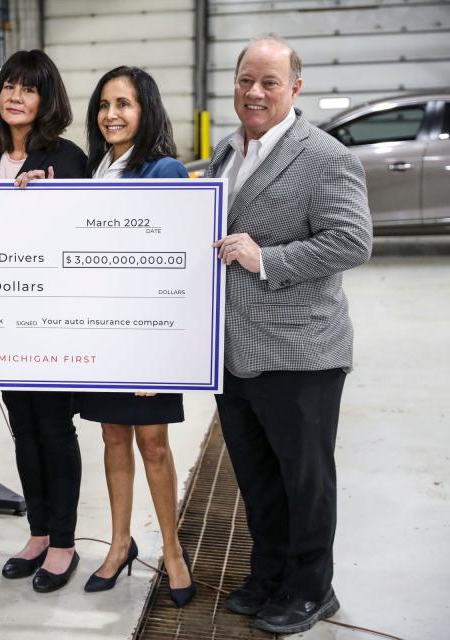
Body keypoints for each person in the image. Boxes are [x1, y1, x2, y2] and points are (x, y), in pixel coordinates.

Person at [207, 35, 372, 634]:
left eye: (269, 82)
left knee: (305, 480)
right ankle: (269, 574)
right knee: (256, 478)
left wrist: (265, 257)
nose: (254, 92)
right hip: (235, 351)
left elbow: (352, 241)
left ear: (295, 89)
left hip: (301, 352)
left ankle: (310, 588)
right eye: (246, 79)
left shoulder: (325, 156)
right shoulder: (227, 151)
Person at [77, 66, 195, 606]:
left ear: (145, 110)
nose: (111, 115)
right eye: (104, 104)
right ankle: (119, 544)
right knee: (113, 437)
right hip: (105, 334)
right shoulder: (99, 169)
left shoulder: (163, 168)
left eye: (123, 104)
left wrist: (156, 353)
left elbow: (170, 265)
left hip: (146, 336)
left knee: (153, 443)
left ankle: (171, 551)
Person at [0, 49, 87, 593]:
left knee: (53, 427)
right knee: (22, 426)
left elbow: (83, 236)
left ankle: (65, 542)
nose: (15, 97)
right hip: (1, 321)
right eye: (8, 86)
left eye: (29, 88)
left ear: (47, 99)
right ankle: (39, 533)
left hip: (50, 321)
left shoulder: (66, 157)